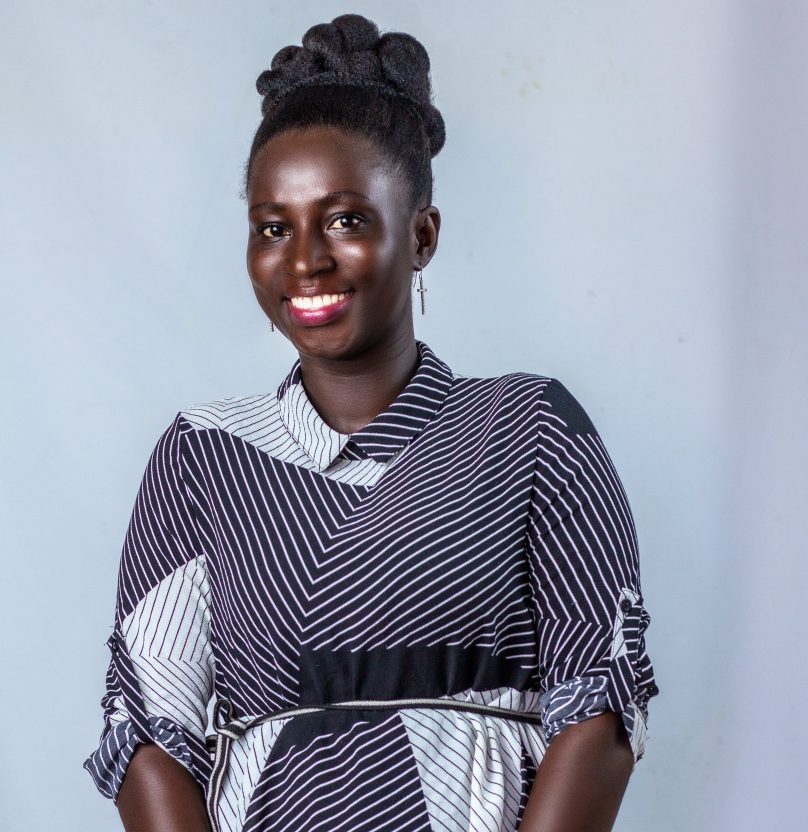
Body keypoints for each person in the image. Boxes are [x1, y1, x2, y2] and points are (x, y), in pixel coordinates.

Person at [83, 13, 659, 832]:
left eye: (345, 219)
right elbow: (147, 730)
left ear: (422, 235)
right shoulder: (202, 455)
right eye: (273, 228)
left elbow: (600, 704)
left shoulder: (530, 428)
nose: (305, 259)